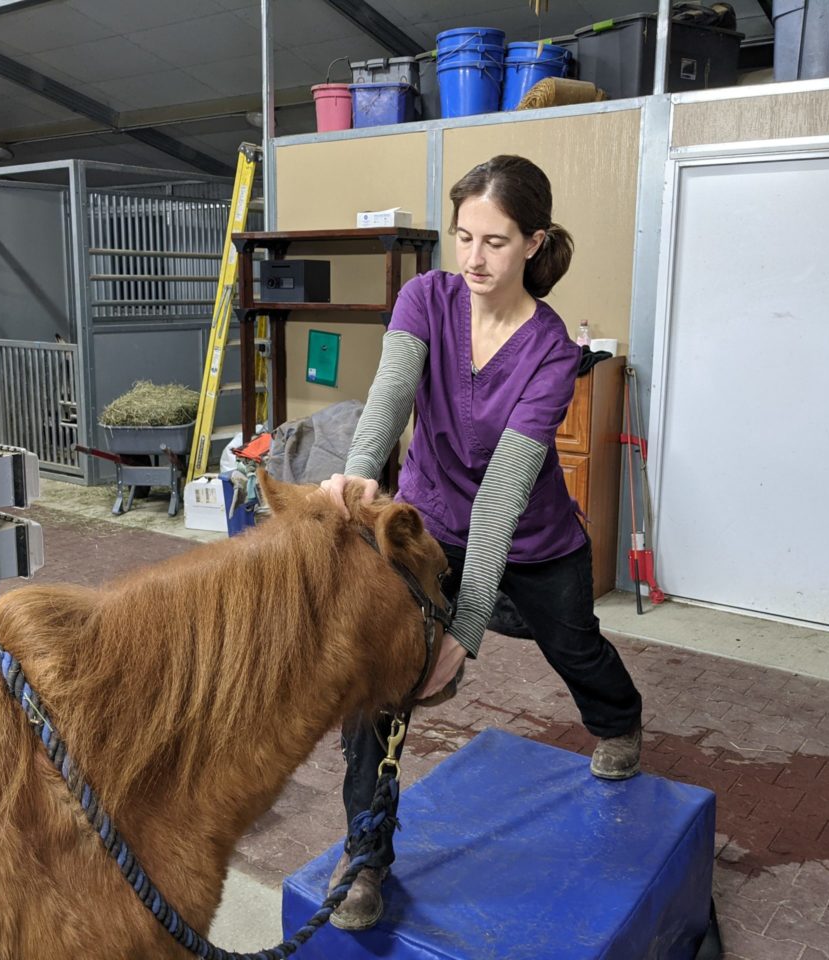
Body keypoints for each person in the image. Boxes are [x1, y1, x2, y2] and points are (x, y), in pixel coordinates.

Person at [319, 155, 643, 931]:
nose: (473, 257)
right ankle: (365, 854)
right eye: (463, 236)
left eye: (495, 241)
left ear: (534, 242)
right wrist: (360, 475)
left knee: (573, 643)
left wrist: (464, 630)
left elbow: (503, 492)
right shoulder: (426, 298)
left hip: (531, 540)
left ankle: (620, 718)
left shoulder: (551, 350)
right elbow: (391, 393)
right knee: (382, 677)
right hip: (429, 523)